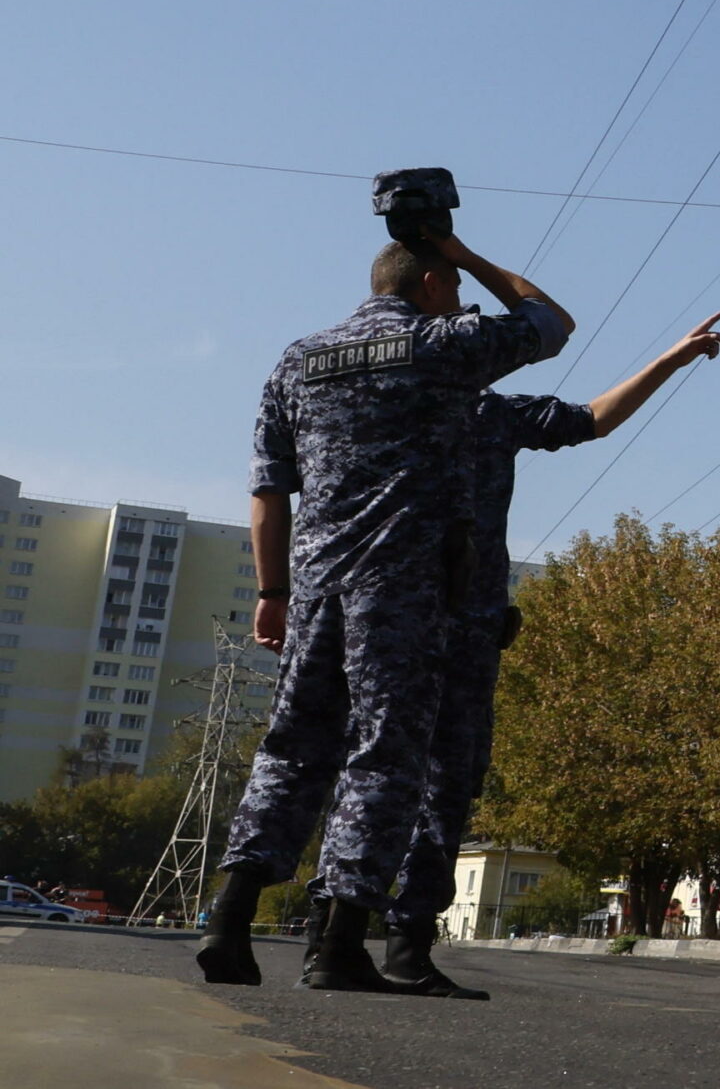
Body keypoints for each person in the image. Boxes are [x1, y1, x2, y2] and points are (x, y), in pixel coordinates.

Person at [197, 233, 571, 991]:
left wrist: (272, 594)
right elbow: (550, 321)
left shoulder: (297, 359)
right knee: (384, 756)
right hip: (399, 593)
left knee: (291, 750)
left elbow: (268, 490)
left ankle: (229, 920)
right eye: (452, 284)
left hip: (313, 588)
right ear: (433, 282)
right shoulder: (440, 346)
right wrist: (470, 254)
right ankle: (337, 945)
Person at [378, 312, 720, 998]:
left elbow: (594, 417)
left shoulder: (486, 413)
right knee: (395, 777)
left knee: (428, 782)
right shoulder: (413, 408)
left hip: (428, 630)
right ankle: (365, 935)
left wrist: (669, 360)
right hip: (405, 626)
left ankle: (386, 940)